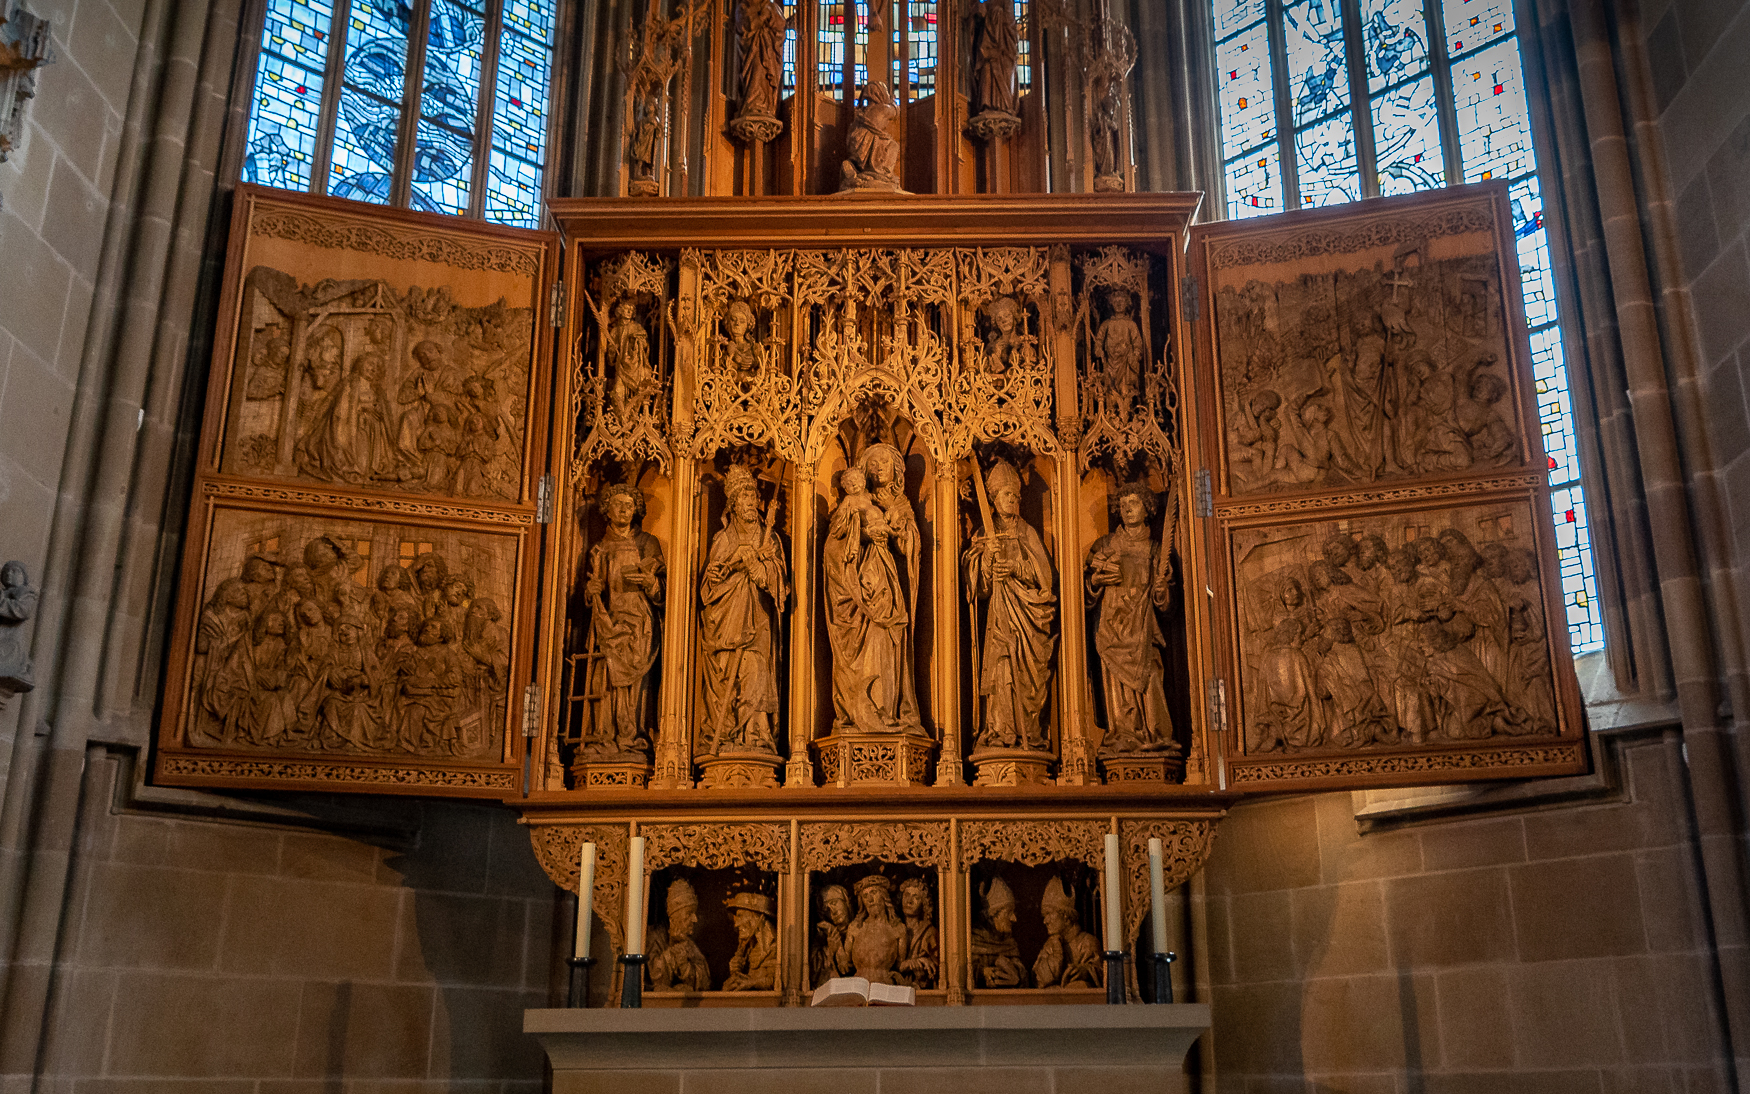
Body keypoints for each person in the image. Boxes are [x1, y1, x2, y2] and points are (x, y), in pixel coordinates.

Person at [823, 446, 922, 735]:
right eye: (873, 463)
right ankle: (866, 712)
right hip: (860, 588)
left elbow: (911, 549)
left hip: (887, 585)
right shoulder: (851, 503)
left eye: (885, 463)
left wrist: (902, 532)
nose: (879, 469)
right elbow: (834, 545)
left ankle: (888, 709)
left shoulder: (902, 505)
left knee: (887, 639)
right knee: (869, 645)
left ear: (897, 470)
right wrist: (866, 535)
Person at [965, 460, 1057, 751]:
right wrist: (988, 560)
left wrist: (1017, 567)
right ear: (993, 500)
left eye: (1016, 496)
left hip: (1028, 617)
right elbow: (976, 586)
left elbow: (1045, 580)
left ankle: (1027, 732)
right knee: (1002, 669)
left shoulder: (1027, 532)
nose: (1013, 500)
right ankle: (1000, 731)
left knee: (1028, 676)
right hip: (1000, 616)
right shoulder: (983, 534)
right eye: (1007, 495)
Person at [699, 465, 786, 757]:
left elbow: (778, 583)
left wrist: (759, 569)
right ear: (733, 504)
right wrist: (716, 575)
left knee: (756, 672)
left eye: (753, 497)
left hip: (757, 622)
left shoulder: (769, 537)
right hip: (727, 625)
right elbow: (708, 590)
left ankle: (756, 735)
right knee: (727, 677)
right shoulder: (722, 539)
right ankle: (724, 734)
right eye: (744, 498)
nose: (751, 503)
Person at [1085, 482, 1176, 755]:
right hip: (1113, 627)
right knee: (1118, 688)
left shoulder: (1154, 549)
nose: (1127, 510)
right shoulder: (1105, 544)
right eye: (1123, 506)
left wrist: (1161, 593)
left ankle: (1155, 735)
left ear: (1147, 508)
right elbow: (1087, 588)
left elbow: (1166, 600)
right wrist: (1097, 580)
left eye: (1133, 504)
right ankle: (1124, 734)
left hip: (1143, 624)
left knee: (1151, 676)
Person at [579, 484, 665, 761]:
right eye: (618, 504)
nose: (624, 509)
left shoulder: (647, 543)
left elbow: (663, 589)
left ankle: (633, 739)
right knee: (602, 680)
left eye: (629, 504)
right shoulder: (599, 548)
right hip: (608, 620)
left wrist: (651, 582)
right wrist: (590, 593)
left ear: (637, 509)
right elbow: (591, 590)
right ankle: (603, 737)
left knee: (635, 686)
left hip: (639, 623)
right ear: (607, 509)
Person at [1033, 877, 1102, 988]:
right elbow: (1039, 980)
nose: (1045, 921)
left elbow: (1102, 973)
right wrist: (1056, 950)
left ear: (1066, 916)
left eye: (1049, 914)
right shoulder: (1049, 946)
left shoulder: (1087, 942)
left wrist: (1086, 972)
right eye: (1044, 916)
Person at [648, 879, 711, 992]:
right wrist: (672, 954)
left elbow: (704, 982)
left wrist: (685, 966)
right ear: (675, 916)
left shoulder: (689, 944)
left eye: (694, 913)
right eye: (689, 913)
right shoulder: (655, 938)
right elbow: (655, 978)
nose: (695, 919)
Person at [844, 874, 907, 984]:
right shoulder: (855, 928)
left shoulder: (898, 929)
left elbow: (900, 965)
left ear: (883, 895)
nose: (870, 899)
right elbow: (846, 964)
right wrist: (835, 947)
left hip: (885, 986)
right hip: (858, 987)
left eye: (873, 892)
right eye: (865, 896)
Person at [969, 876, 1027, 988]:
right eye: (1008, 913)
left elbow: (1022, 973)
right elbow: (966, 972)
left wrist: (1016, 970)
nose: (1014, 918)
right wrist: (983, 972)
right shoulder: (974, 941)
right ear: (993, 915)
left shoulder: (1009, 943)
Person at [1093, 288, 1145, 409]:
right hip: (1110, 363)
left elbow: (1137, 343)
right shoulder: (1106, 324)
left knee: (1125, 389)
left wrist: (1135, 354)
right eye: (1116, 302)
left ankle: (1126, 411)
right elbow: (1099, 341)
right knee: (1110, 389)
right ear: (1111, 304)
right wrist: (1099, 350)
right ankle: (1112, 411)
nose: (1119, 304)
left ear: (1127, 303)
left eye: (1121, 301)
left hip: (1126, 362)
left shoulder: (1131, 325)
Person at [723, 890, 778, 991]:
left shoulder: (774, 949)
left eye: (740, 916)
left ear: (757, 918)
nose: (737, 924)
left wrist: (751, 983)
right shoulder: (749, 950)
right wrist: (735, 971)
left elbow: (776, 981)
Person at [897, 877, 938, 989]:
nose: (909, 901)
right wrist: (910, 964)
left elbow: (937, 968)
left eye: (916, 897)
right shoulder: (894, 928)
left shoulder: (929, 932)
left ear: (924, 904)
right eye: (906, 895)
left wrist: (922, 974)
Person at [813, 883, 853, 986]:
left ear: (846, 901)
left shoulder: (862, 928)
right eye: (826, 909)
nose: (832, 912)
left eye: (834, 903)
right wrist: (831, 951)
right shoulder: (822, 939)